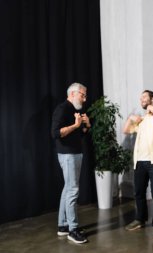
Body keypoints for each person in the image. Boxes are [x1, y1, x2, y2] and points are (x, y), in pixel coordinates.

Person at [123, 90, 153, 240]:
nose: (141, 99)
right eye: (140, 98)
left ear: (152, 99)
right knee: (138, 192)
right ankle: (140, 219)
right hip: (140, 161)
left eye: (144, 97)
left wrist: (150, 108)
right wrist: (131, 118)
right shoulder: (142, 120)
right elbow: (125, 130)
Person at [51, 82, 90, 244]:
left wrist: (86, 125)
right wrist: (75, 125)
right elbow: (55, 133)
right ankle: (73, 230)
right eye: (82, 95)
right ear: (73, 93)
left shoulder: (76, 110)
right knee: (73, 190)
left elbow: (80, 135)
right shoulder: (62, 108)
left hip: (76, 153)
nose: (85, 98)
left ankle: (63, 226)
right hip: (67, 155)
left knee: (68, 188)